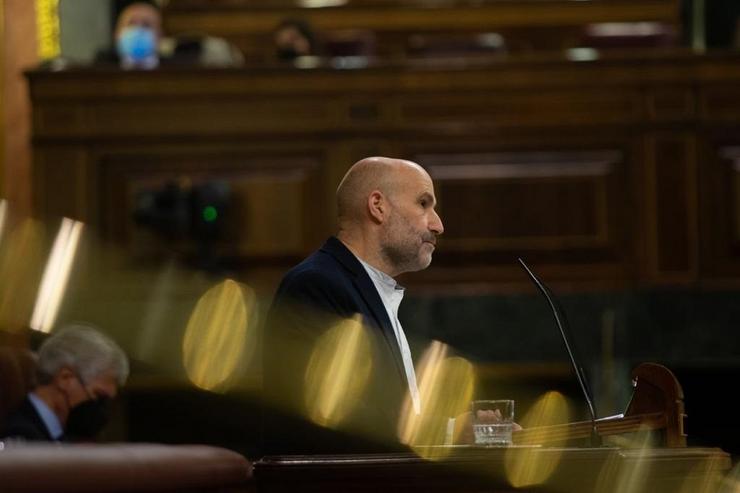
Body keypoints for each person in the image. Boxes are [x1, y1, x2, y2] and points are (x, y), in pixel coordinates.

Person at [263, 156, 444, 454]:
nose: (438, 225)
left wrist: (451, 428)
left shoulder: (368, 287)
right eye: (424, 204)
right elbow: (337, 419)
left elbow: (379, 412)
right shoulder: (316, 286)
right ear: (378, 206)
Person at [0, 324, 129, 442]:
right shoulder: (19, 437)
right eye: (98, 395)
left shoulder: (58, 436)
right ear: (65, 378)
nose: (102, 410)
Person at [94, 2, 162, 69]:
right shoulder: (101, 66)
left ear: (160, 34)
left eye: (146, 25)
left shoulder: (171, 68)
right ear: (117, 33)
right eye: (131, 23)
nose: (138, 29)